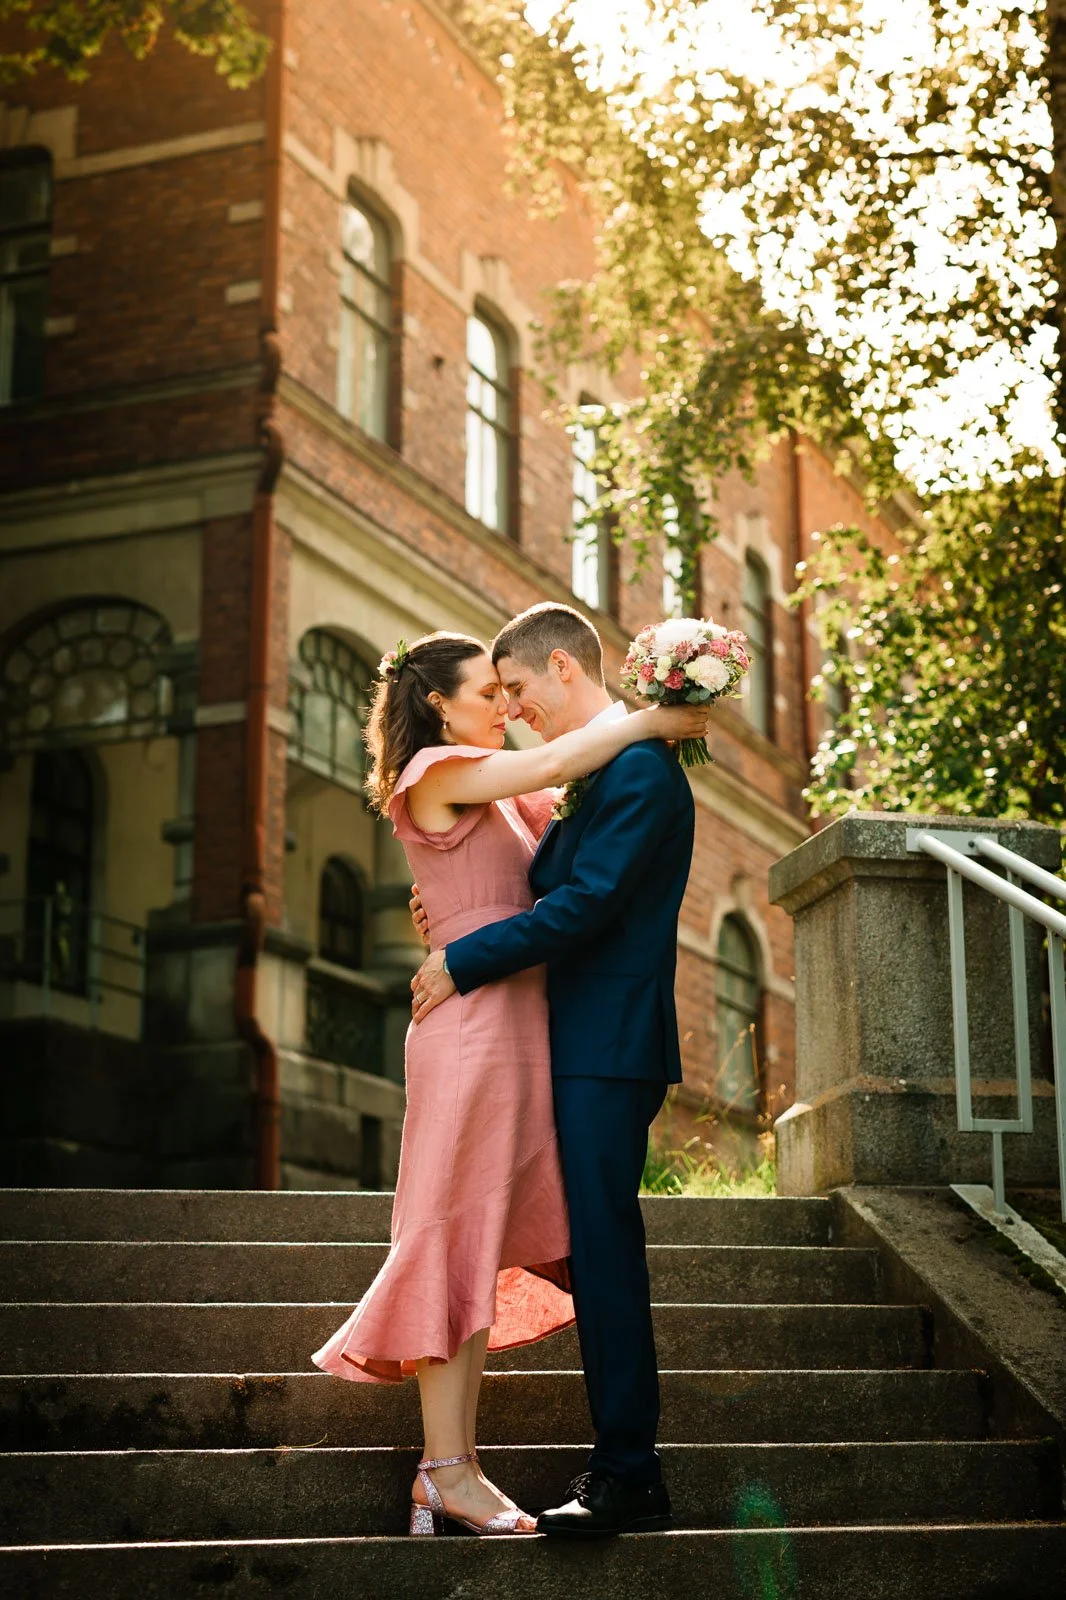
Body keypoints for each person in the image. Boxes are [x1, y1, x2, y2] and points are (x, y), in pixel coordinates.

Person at [310, 627, 706, 1539]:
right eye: (489, 693)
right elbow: (558, 774)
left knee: (505, 1234)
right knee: (458, 1231)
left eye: (512, 687)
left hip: (539, 1026)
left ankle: (565, 1468)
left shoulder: (571, 783)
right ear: (439, 705)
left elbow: (553, 883)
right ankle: (450, 1468)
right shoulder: (445, 772)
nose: (507, 705)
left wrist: (460, 929)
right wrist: (659, 716)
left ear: (560, 667)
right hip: (486, 1023)